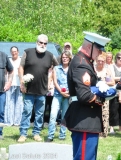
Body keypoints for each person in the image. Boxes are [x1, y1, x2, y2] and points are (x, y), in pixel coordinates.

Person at [62, 31, 111, 160]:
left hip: (87, 119)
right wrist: (101, 99)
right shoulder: (82, 64)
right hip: (84, 119)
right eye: (99, 50)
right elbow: (84, 95)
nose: (101, 53)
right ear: (90, 47)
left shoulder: (84, 61)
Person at [17, 34, 59, 143]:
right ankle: (23, 133)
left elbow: (56, 68)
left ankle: (36, 133)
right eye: (41, 42)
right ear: (37, 42)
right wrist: (21, 81)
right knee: (27, 111)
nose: (42, 45)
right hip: (29, 89)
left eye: (45, 43)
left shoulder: (50, 55)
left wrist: (50, 81)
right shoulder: (28, 52)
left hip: (42, 90)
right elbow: (21, 67)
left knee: (40, 113)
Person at [47, 51, 72, 142]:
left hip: (67, 95)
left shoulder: (71, 69)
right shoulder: (56, 68)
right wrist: (61, 91)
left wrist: (69, 92)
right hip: (58, 95)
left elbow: (73, 82)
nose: (64, 58)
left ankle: (62, 135)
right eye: (63, 57)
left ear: (69, 58)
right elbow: (55, 82)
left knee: (64, 116)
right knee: (53, 115)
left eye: (66, 57)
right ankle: (50, 135)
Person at [95, 54, 115, 138]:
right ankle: (96, 131)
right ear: (96, 61)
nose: (100, 62)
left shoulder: (107, 71)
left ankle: (104, 132)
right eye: (99, 60)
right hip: (95, 94)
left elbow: (112, 82)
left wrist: (104, 83)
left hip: (104, 94)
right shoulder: (93, 70)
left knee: (105, 113)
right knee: (96, 112)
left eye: (102, 61)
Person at [109, 52, 121, 134]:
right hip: (114, 90)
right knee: (113, 109)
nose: (120, 59)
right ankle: (112, 127)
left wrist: (119, 79)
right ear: (116, 58)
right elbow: (112, 78)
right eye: (119, 58)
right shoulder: (112, 66)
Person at [4, 46, 23, 126]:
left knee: (19, 103)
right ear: (10, 52)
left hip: (19, 84)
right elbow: (6, 73)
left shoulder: (21, 60)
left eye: (15, 51)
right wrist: (6, 82)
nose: (14, 53)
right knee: (9, 102)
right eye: (12, 51)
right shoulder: (9, 60)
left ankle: (17, 121)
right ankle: (9, 121)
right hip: (10, 84)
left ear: (18, 52)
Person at [0, 51, 13, 140]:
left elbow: (11, 70)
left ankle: (0, 133)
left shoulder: (3, 55)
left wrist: (9, 82)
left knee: (1, 112)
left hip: (1, 91)